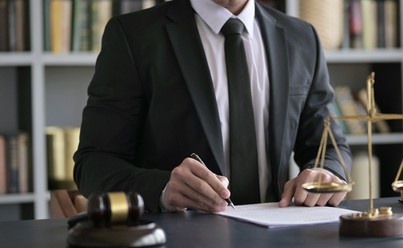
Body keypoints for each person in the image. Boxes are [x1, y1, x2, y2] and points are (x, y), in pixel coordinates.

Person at [73, 0, 352, 214]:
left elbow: (329, 148)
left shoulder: (302, 38)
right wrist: (163, 189)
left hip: (280, 243)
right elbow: (94, 164)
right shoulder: (132, 36)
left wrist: (325, 172)